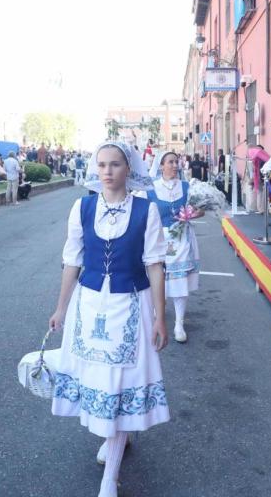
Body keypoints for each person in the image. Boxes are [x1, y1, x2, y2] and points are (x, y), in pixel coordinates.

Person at [48, 142, 169, 497]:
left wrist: (160, 316)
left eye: (115, 164)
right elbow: (72, 260)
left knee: (119, 382)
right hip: (90, 304)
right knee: (99, 380)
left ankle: (109, 478)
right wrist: (60, 308)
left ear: (128, 168)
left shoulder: (147, 211)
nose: (107, 171)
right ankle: (118, 436)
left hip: (130, 303)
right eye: (101, 164)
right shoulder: (82, 207)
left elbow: (156, 265)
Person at [148, 151, 203, 343]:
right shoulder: (150, 189)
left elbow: (201, 209)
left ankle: (179, 323)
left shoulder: (187, 187)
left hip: (182, 240)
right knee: (158, 278)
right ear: (161, 165)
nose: (174, 165)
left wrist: (194, 215)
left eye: (176, 162)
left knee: (180, 282)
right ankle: (157, 311)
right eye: (170, 162)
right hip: (159, 241)